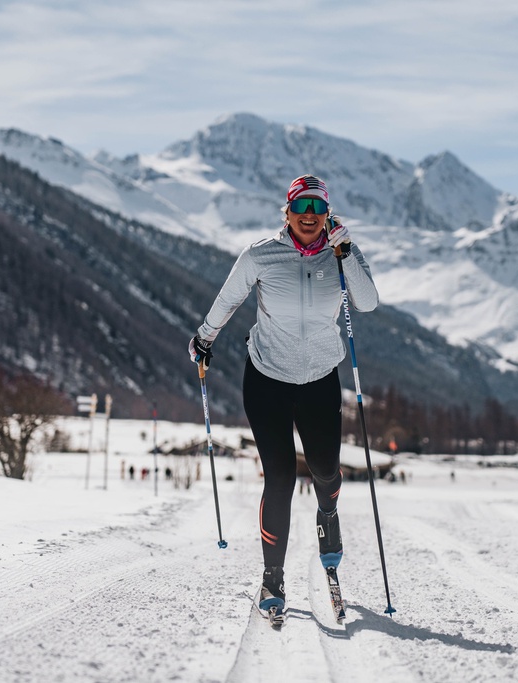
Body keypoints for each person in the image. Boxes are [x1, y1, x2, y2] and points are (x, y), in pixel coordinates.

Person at [188, 174, 379, 623]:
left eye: (318, 208)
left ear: (328, 213)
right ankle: (272, 577)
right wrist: (204, 337)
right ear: (287, 211)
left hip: (319, 378)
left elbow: (367, 303)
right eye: (301, 207)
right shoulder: (261, 255)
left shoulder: (342, 254)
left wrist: (347, 255)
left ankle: (327, 516)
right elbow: (229, 298)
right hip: (267, 379)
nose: (309, 217)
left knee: (327, 471)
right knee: (279, 478)